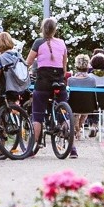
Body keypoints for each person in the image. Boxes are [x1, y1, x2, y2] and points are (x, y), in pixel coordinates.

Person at [25, 17, 69, 151]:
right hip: (59, 80)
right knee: (64, 112)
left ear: (42, 29)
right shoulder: (62, 43)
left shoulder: (38, 43)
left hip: (43, 81)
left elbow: (28, 62)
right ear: (55, 30)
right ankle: (71, 146)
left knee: (37, 114)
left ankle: (33, 147)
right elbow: (64, 66)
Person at [67, 53, 98, 150]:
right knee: (83, 110)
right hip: (88, 106)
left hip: (73, 105)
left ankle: (77, 130)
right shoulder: (92, 80)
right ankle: (78, 129)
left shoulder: (70, 80)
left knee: (75, 112)